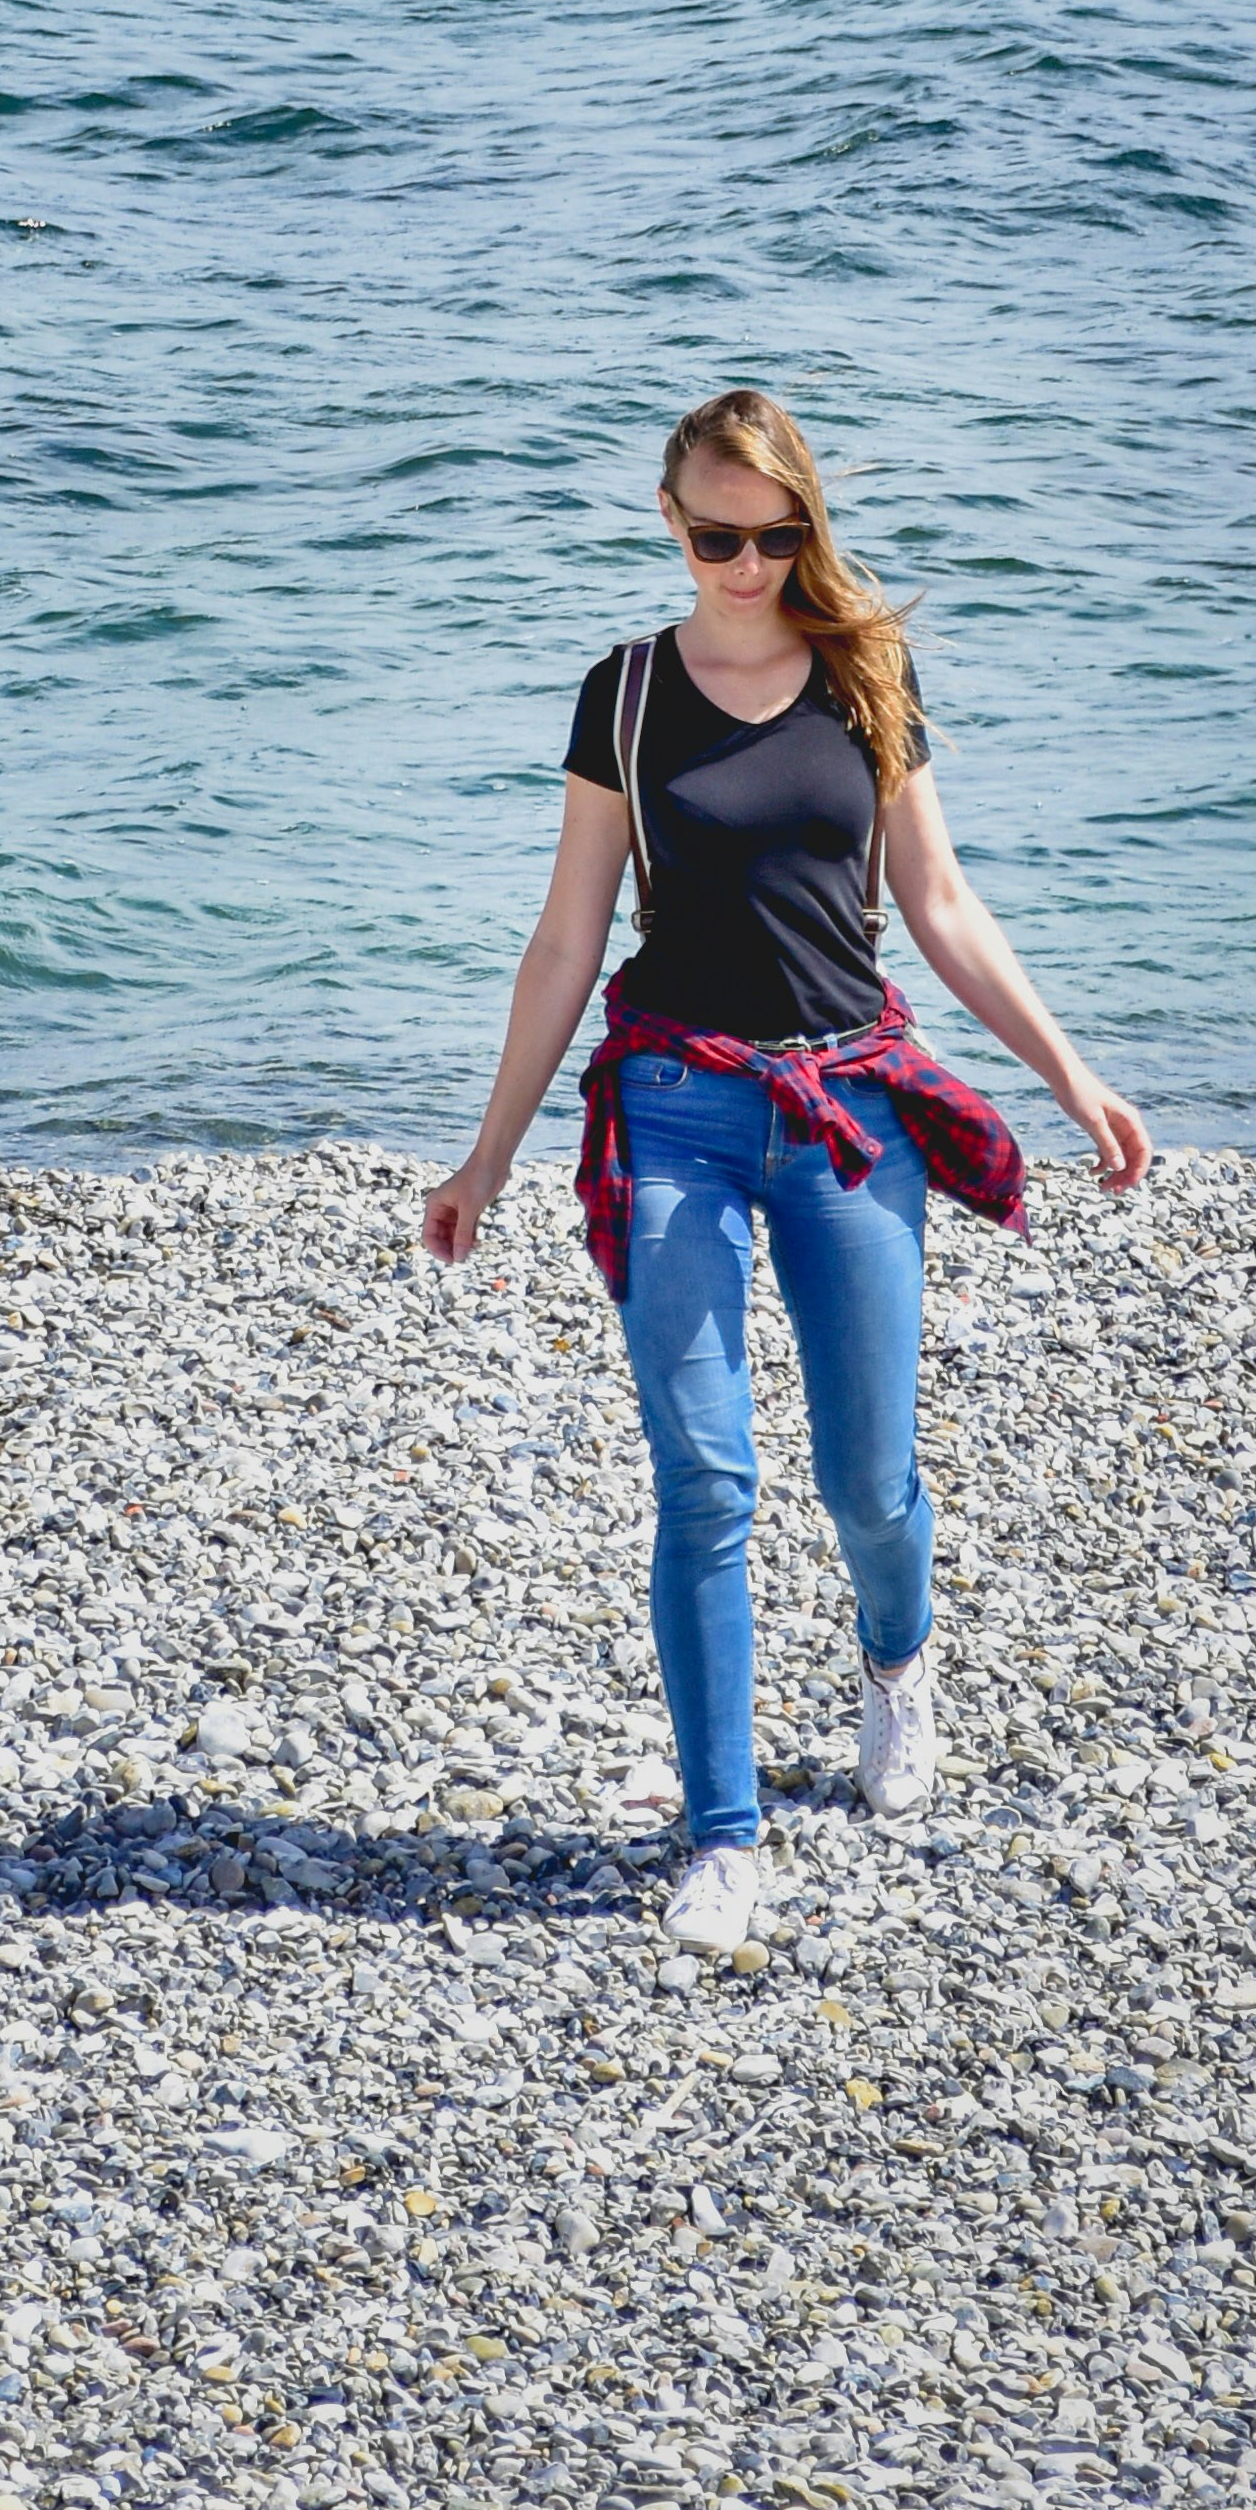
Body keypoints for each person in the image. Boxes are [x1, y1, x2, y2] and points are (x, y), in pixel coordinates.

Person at [421, 384, 1150, 1957]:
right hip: (673, 1104)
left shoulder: (867, 678)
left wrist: (1071, 1078)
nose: (745, 566)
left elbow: (941, 906)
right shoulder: (622, 696)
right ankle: (726, 1836)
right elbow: (564, 941)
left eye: (774, 536)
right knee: (704, 1478)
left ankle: (901, 1658)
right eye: (714, 538)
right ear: (670, 527)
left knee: (866, 1481)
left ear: (807, 526)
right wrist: (488, 1155)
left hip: (845, 1118)